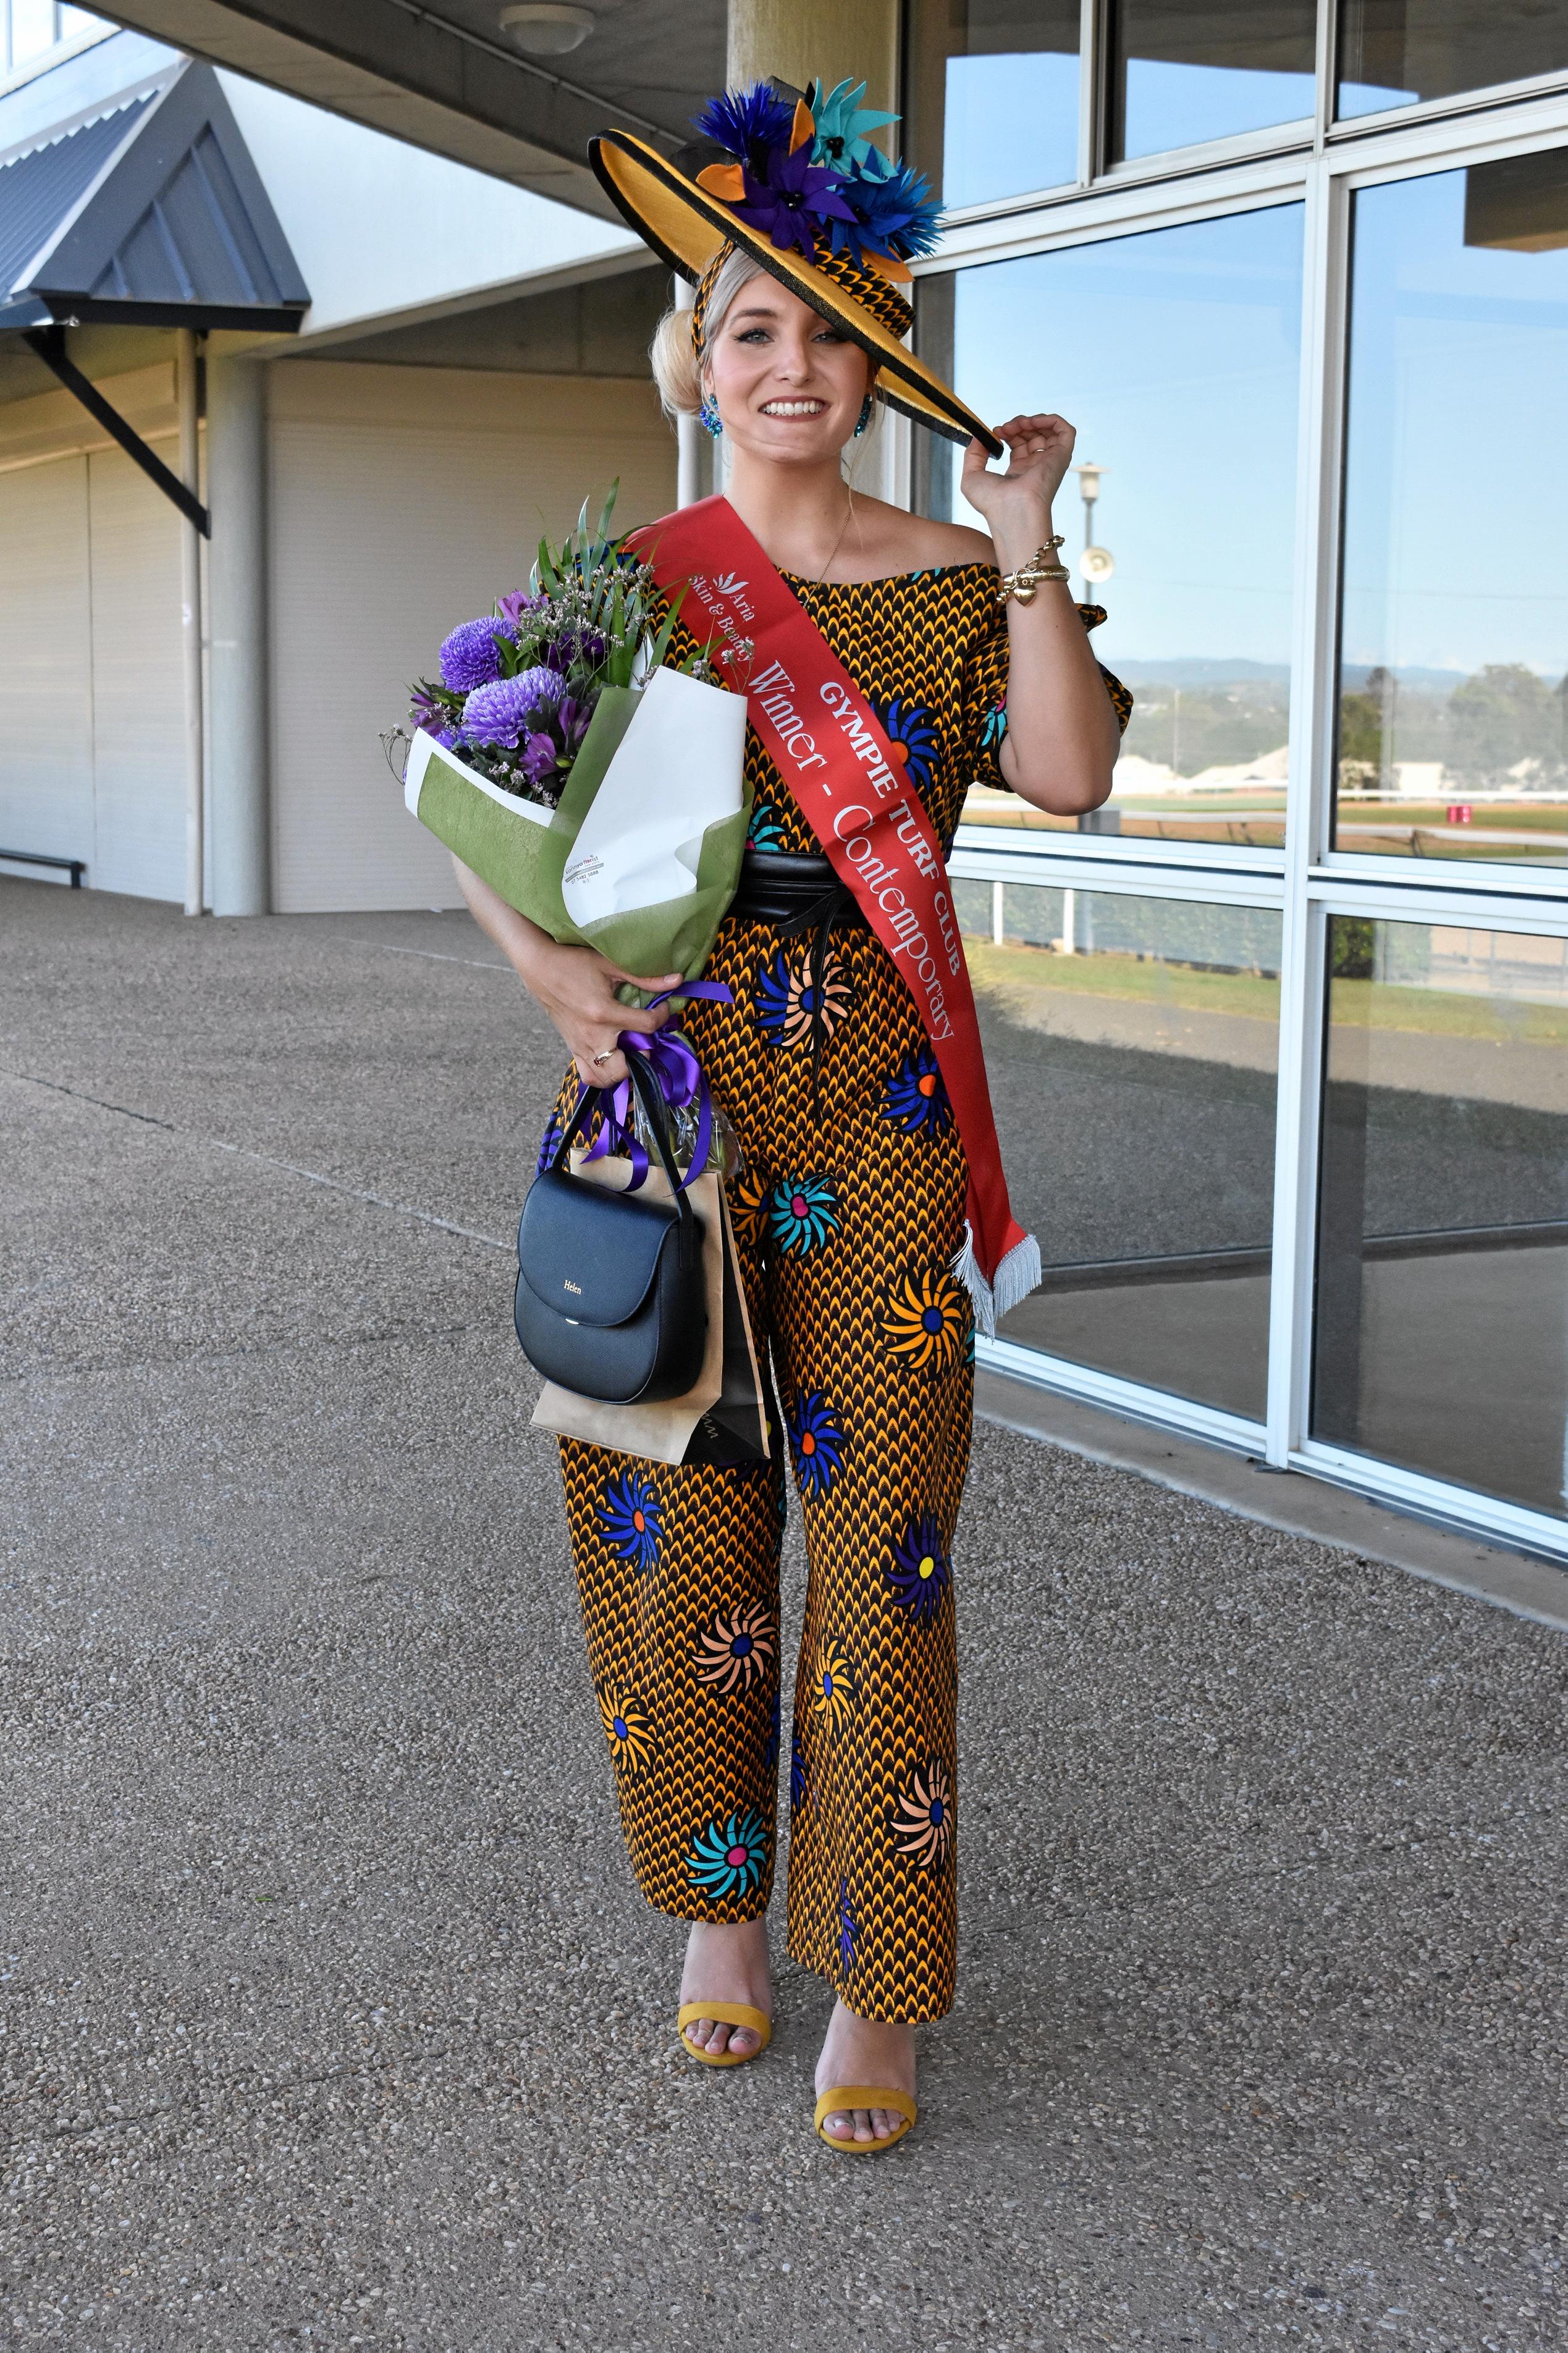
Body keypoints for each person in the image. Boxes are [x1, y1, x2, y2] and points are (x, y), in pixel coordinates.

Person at [454, 74, 1130, 2153]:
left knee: (885, 1541)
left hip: (883, 1098)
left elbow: (1076, 774)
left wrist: (1030, 555)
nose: (792, 366)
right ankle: (722, 1919)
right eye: (754, 330)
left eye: (831, 332)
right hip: (670, 1083)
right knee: (678, 1516)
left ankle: (883, 1970)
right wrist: (557, 979)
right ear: (701, 358)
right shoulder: (633, 577)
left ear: (878, 361)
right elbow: (470, 791)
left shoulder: (951, 581)